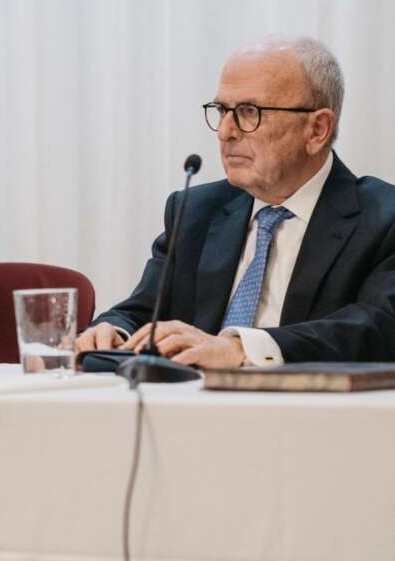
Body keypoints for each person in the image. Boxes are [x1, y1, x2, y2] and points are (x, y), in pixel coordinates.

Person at [77, 36, 395, 368]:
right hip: (191, 409)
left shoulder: (383, 218)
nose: (225, 131)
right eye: (222, 110)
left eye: (248, 112)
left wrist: (243, 348)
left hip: (313, 413)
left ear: (317, 129)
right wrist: (114, 331)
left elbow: (378, 327)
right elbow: (145, 310)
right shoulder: (195, 212)